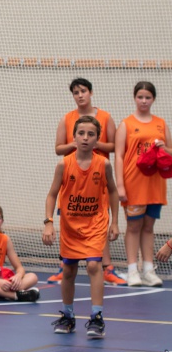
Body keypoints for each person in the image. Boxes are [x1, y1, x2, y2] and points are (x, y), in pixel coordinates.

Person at [43, 115, 120, 337]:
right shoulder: (63, 164)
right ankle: (68, 315)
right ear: (74, 137)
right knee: (68, 270)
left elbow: (113, 191)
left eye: (91, 134)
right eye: (81, 133)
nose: (85, 138)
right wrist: (48, 222)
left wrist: (114, 221)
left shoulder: (103, 164)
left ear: (97, 139)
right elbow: (52, 195)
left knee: (95, 266)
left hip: (95, 223)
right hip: (70, 226)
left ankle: (97, 317)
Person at [49, 78, 123, 285]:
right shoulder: (67, 119)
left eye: (83, 91)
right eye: (75, 92)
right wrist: (75, 143)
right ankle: (64, 266)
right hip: (73, 179)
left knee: (99, 222)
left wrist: (94, 142)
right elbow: (58, 149)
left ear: (91, 92)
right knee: (68, 217)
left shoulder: (105, 117)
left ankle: (107, 268)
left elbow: (115, 146)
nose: (80, 95)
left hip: (97, 178)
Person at [115, 81, 171, 287]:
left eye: (148, 97)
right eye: (140, 97)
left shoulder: (161, 124)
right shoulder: (126, 124)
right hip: (133, 183)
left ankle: (148, 270)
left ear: (153, 99)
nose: (144, 101)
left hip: (155, 183)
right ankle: (132, 270)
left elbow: (170, 152)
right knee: (133, 226)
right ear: (135, 98)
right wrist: (120, 185)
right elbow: (119, 156)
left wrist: (164, 148)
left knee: (148, 227)